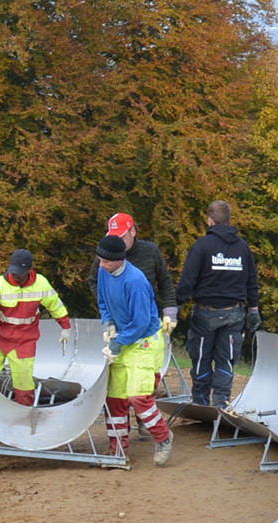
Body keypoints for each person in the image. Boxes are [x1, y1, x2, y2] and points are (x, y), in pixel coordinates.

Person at [94, 235, 173, 466]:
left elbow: (139, 323)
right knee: (115, 399)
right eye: (99, 260)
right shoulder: (103, 272)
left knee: (139, 398)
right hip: (122, 337)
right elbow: (103, 301)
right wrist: (108, 324)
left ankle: (163, 437)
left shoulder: (135, 281)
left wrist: (117, 343)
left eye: (105, 261)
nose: (100, 265)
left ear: (119, 260)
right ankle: (118, 450)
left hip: (143, 343)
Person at [174, 199, 260, 410]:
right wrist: (254, 309)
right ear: (230, 221)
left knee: (202, 357)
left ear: (210, 221)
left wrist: (174, 306)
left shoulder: (202, 245)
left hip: (206, 312)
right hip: (234, 313)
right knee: (226, 359)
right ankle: (221, 403)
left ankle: (201, 403)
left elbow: (188, 279)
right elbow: (252, 281)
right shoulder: (243, 247)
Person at [0, 248, 74, 406]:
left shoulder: (41, 284)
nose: (15, 274)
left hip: (25, 341)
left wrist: (66, 327)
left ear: (30, 270)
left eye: (19, 272)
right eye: (13, 270)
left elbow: (55, 305)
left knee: (24, 384)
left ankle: (24, 421)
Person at [107, 211, 178, 401]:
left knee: (145, 378)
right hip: (121, 323)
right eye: (114, 237)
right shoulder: (107, 253)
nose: (118, 243)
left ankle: (144, 417)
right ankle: (120, 417)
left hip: (146, 321)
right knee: (119, 378)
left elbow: (165, 282)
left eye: (121, 237)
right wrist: (109, 312)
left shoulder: (150, 251)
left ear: (132, 232)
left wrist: (170, 310)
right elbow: (95, 282)